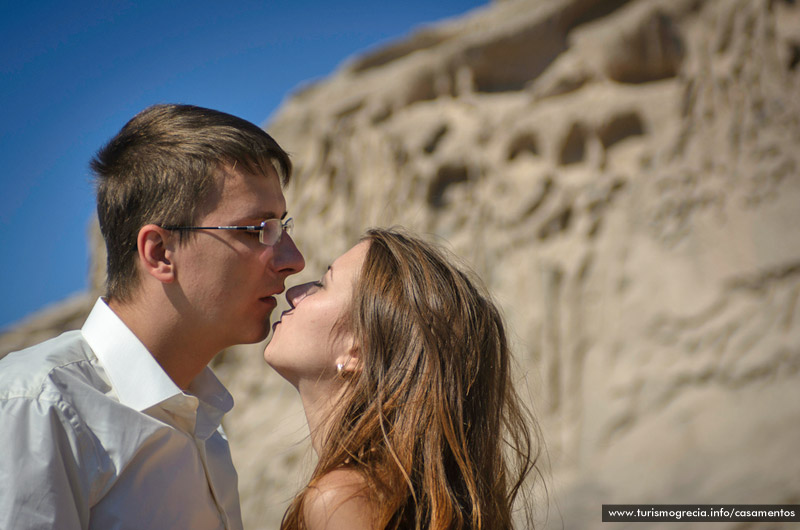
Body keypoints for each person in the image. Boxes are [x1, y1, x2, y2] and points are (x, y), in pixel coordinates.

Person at [0, 104, 305, 529]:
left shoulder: (201, 425)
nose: (294, 260)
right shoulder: (37, 408)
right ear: (160, 252)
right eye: (259, 230)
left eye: (284, 227)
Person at [265, 228, 540, 530]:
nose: (292, 293)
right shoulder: (404, 500)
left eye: (322, 284)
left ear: (358, 349)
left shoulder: (344, 501)